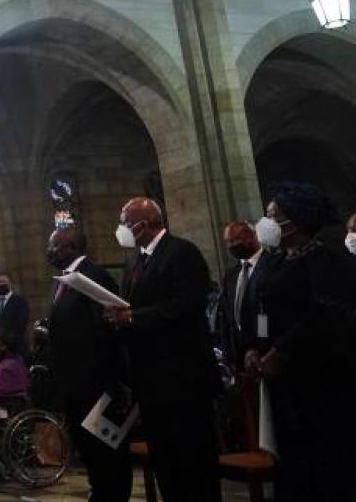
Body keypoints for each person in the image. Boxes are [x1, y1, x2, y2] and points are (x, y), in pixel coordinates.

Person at [246, 183, 356, 501]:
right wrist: (255, 345)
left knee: (324, 460)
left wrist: (281, 351)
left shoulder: (330, 261)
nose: (265, 222)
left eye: (272, 215)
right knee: (291, 459)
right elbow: (263, 305)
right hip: (282, 378)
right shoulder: (279, 260)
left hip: (318, 377)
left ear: (294, 221)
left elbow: (323, 315)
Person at [108, 197, 220, 502]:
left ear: (142, 224)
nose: (121, 228)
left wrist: (134, 317)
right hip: (151, 380)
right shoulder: (136, 260)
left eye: (124, 221)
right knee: (166, 463)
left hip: (184, 377)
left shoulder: (181, 253)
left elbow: (188, 304)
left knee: (193, 461)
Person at [45, 226, 132, 502]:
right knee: (91, 453)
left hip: (96, 385)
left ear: (71, 247)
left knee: (108, 454)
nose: (50, 251)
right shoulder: (64, 281)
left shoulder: (94, 276)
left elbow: (107, 332)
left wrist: (109, 385)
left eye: (54, 246)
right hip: (74, 386)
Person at [214, 221, 271, 375]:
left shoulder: (271, 264)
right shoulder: (231, 275)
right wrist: (228, 355)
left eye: (235, 240)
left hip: (265, 352)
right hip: (238, 360)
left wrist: (260, 347)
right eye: (228, 242)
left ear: (251, 237)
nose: (231, 246)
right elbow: (226, 317)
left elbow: (263, 312)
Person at [0, 272, 29, 351]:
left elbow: (20, 325)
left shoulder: (20, 302)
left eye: (3, 282)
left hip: (14, 347)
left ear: (10, 283)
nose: (0, 285)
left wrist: (3, 335)